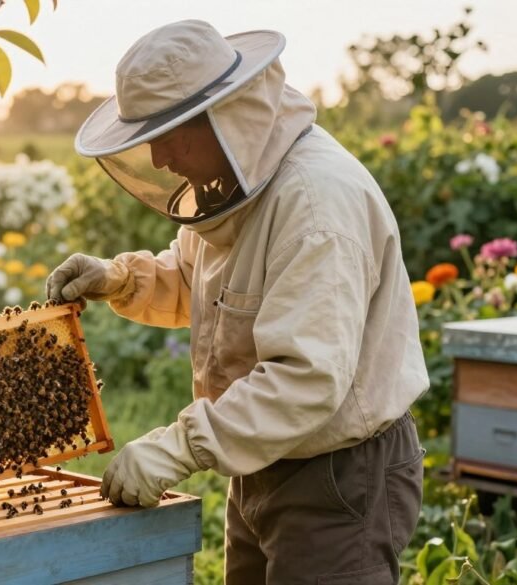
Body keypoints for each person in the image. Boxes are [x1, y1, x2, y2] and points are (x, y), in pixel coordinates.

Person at [45, 20, 429, 584]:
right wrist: (119, 278)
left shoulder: (317, 206)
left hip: (338, 475)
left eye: (170, 133)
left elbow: (307, 379)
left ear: (227, 114)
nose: (157, 158)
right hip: (259, 456)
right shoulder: (235, 183)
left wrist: (179, 447)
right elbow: (207, 284)